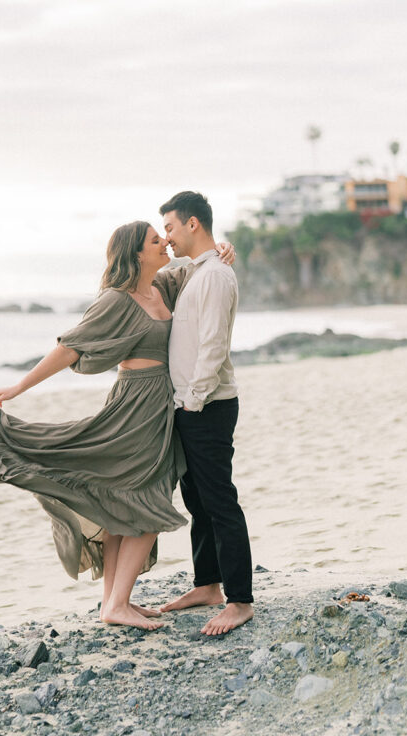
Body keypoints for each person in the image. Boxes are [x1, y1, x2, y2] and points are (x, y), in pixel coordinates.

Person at [0, 220, 234, 631]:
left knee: (120, 501)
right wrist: (19, 386)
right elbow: (68, 347)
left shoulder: (162, 287)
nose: (165, 241)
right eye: (155, 239)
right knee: (147, 505)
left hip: (157, 407)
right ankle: (117, 604)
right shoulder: (117, 300)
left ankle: (114, 604)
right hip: (135, 408)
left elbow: (200, 265)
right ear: (136, 253)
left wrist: (223, 248)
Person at [157, 191, 254, 635]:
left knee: (219, 501)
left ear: (193, 224)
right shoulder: (199, 269)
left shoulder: (214, 276)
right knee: (198, 500)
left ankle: (239, 600)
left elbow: (215, 342)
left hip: (207, 404)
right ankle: (207, 584)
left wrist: (193, 399)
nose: (167, 237)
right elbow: (159, 270)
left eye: (171, 228)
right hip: (191, 402)